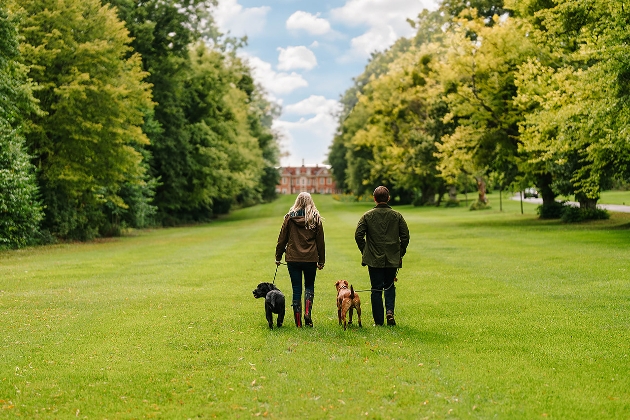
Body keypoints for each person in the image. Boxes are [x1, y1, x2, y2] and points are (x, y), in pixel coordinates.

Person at [355, 186, 409, 326]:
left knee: (376, 289)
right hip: (392, 258)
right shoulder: (397, 216)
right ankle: (389, 312)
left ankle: (379, 321)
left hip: (374, 259)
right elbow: (405, 236)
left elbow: (358, 235)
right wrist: (400, 252)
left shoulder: (367, 216)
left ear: (374, 199)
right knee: (390, 286)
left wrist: (366, 251)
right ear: (388, 198)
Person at [275, 192, 325, 327]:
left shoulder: (289, 218)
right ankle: (307, 313)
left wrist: (278, 256)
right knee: (309, 286)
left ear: (297, 202)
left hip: (293, 258)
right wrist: (321, 261)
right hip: (310, 258)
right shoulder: (315, 218)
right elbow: (320, 242)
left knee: (296, 289)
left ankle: (298, 322)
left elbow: (282, 239)